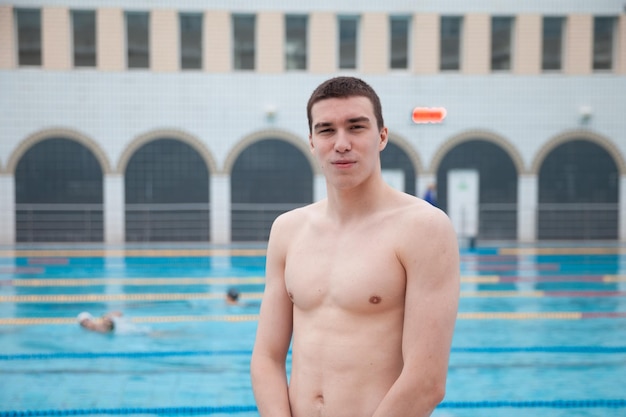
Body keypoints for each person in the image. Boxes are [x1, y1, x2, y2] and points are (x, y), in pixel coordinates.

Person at [250, 76, 460, 417]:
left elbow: (426, 381)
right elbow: (266, 358)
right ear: (312, 141)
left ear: (381, 136)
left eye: (356, 127)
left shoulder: (424, 228)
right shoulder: (287, 230)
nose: (341, 143)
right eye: (327, 130)